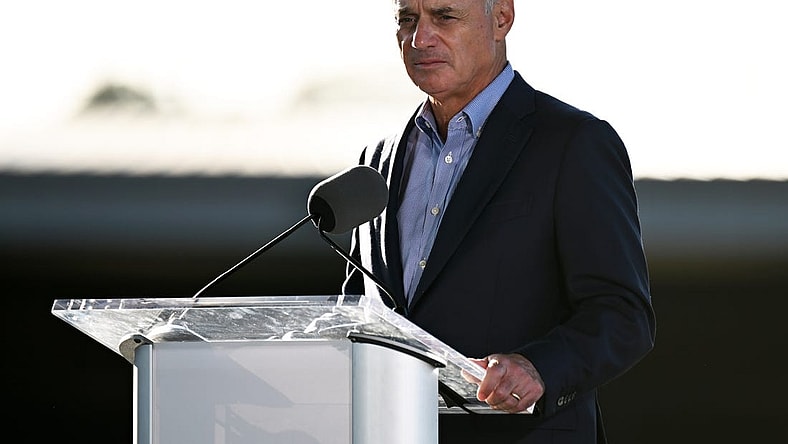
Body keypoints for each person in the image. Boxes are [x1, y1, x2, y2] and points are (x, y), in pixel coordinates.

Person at [341, 0, 656, 442]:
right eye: (407, 20)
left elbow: (623, 316)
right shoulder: (376, 163)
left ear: (502, 17)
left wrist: (538, 367)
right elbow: (359, 311)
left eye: (444, 16)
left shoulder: (573, 143)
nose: (419, 39)